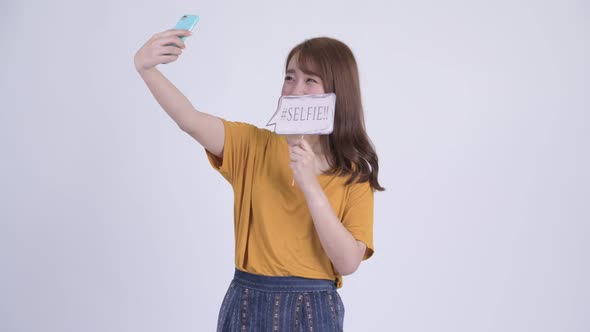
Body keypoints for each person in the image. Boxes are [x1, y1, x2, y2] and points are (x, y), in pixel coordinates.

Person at [134, 28, 384, 331]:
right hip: (246, 302)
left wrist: (310, 185)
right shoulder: (254, 145)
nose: (295, 89)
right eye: (290, 77)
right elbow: (189, 119)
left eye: (311, 80)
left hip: (313, 309)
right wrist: (146, 69)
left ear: (337, 93)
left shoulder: (354, 174)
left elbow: (347, 263)